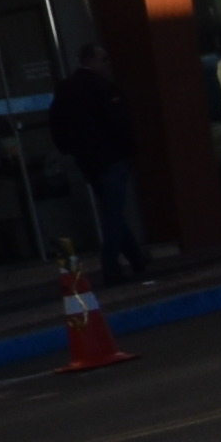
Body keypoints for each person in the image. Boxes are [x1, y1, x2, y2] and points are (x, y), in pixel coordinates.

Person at [41, 46, 151, 277]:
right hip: (111, 158)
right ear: (90, 61)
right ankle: (111, 265)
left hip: (88, 160)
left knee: (113, 211)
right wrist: (129, 150)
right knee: (113, 214)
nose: (107, 64)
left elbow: (56, 123)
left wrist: (70, 149)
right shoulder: (103, 88)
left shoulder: (67, 89)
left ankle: (135, 258)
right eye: (103, 59)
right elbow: (119, 124)